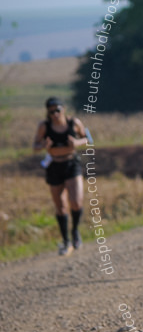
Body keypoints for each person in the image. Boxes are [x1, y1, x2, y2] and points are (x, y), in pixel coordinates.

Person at [32, 98, 90, 256]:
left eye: (57, 110)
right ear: (48, 113)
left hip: (71, 164)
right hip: (54, 166)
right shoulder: (44, 127)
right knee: (61, 206)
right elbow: (35, 146)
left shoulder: (74, 123)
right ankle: (66, 241)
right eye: (51, 111)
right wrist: (43, 146)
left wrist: (77, 143)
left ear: (63, 109)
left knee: (76, 202)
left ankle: (75, 232)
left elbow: (88, 138)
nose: (55, 114)